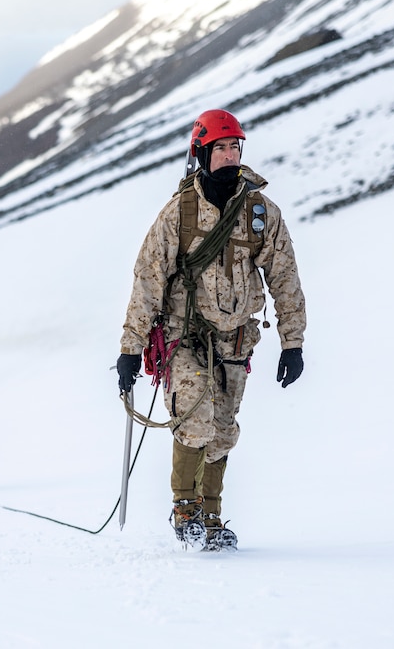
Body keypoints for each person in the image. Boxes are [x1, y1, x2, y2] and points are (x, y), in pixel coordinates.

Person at [116, 108, 306, 550]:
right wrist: (131, 348)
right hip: (185, 338)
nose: (228, 153)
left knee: (223, 431)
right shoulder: (178, 213)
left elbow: (285, 277)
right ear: (201, 153)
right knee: (196, 423)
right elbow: (148, 280)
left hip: (236, 340)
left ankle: (212, 515)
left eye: (234, 146)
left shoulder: (260, 212)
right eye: (219, 147)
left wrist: (292, 342)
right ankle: (186, 510)